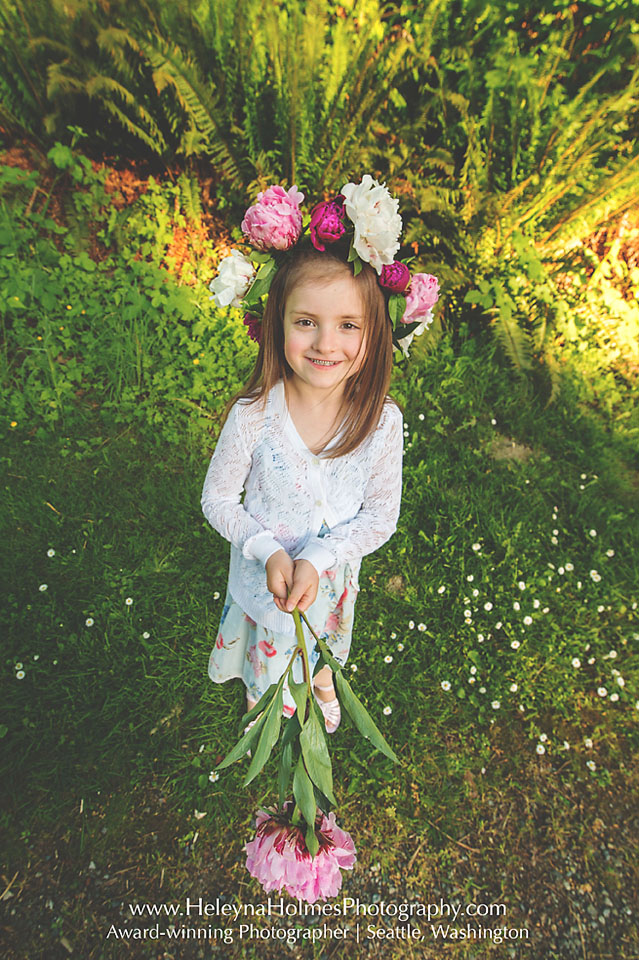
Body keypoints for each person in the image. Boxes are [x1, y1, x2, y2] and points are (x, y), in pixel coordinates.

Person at [201, 174, 428, 735]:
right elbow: (218, 499)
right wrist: (266, 551)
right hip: (267, 579)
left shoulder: (381, 424)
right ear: (275, 324)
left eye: (348, 325)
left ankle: (321, 681)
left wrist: (322, 555)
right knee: (273, 648)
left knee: (321, 640)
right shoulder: (254, 417)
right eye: (306, 323)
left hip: (329, 575)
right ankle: (266, 698)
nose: (326, 344)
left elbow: (380, 516)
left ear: (375, 334)